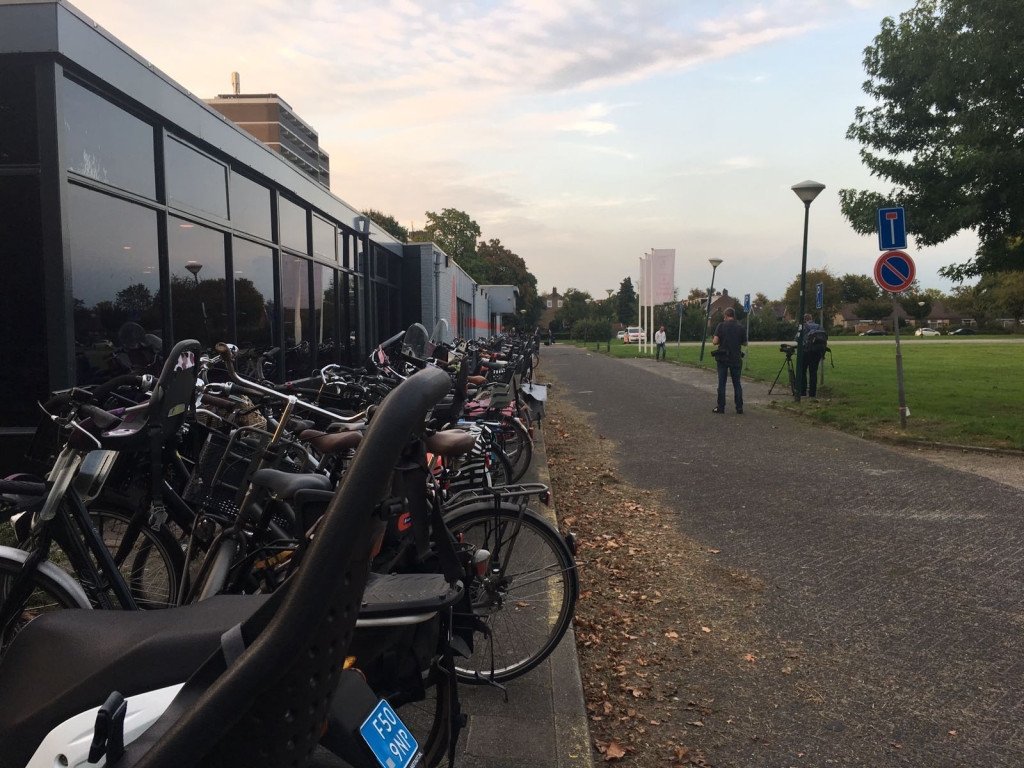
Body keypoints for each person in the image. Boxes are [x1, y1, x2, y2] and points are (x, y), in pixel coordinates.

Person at [712, 307, 747, 414]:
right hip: (736, 357)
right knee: (737, 383)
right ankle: (739, 407)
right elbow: (745, 343)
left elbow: (715, 341)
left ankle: (721, 407)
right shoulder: (740, 327)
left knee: (722, 383)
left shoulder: (721, 326)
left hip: (723, 358)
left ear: (726, 316)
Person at [799, 313, 823, 398]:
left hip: (805, 352)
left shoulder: (802, 326)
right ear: (811, 319)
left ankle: (803, 392)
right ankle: (812, 393)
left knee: (803, 371)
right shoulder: (819, 326)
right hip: (816, 352)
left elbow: (797, 338)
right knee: (813, 372)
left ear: (804, 320)